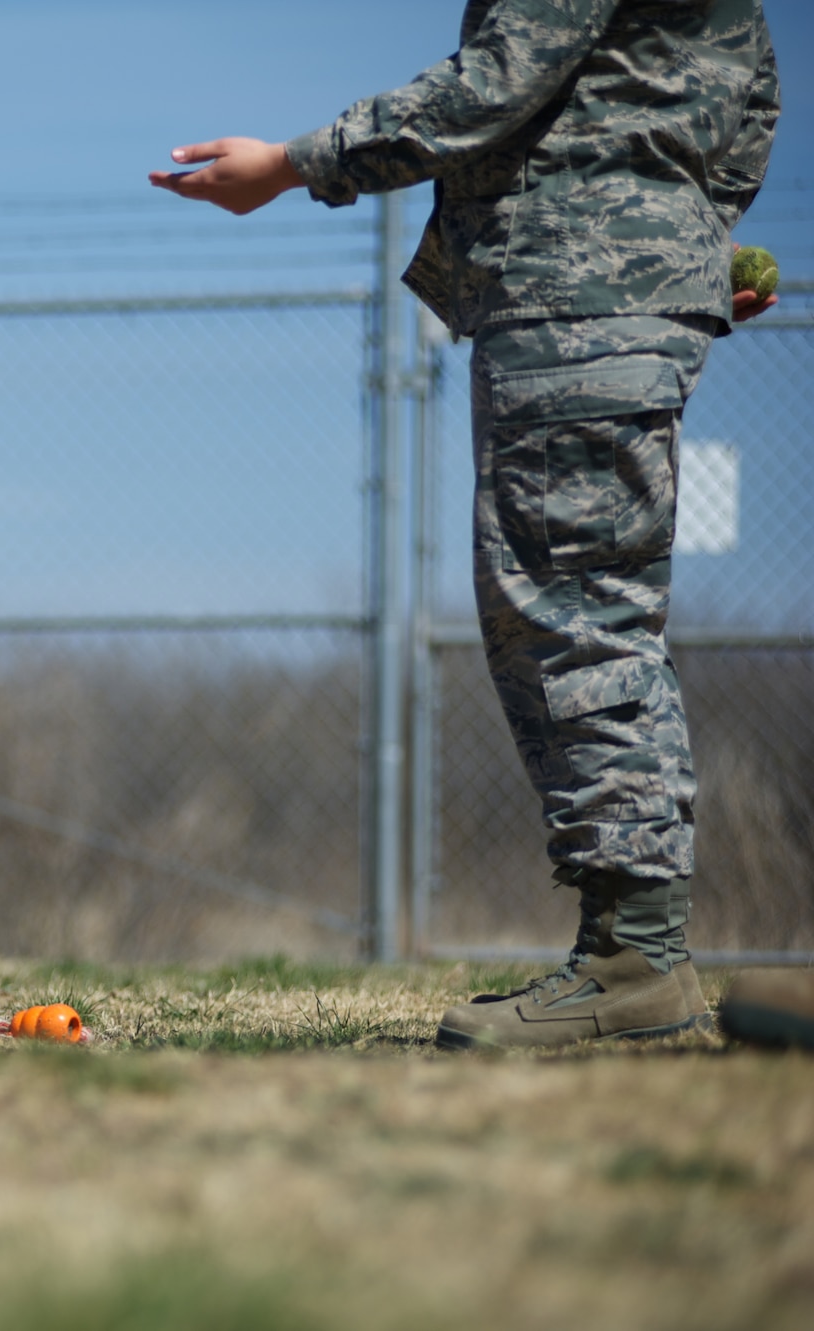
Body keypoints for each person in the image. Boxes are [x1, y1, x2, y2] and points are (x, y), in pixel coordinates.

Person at [148, 0, 785, 1049]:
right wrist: (679, 243)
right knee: (589, 606)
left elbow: (495, 79)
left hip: (572, 294)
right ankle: (632, 956)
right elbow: (748, 92)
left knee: (571, 612)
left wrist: (293, 164)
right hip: (624, 289)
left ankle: (631, 967)